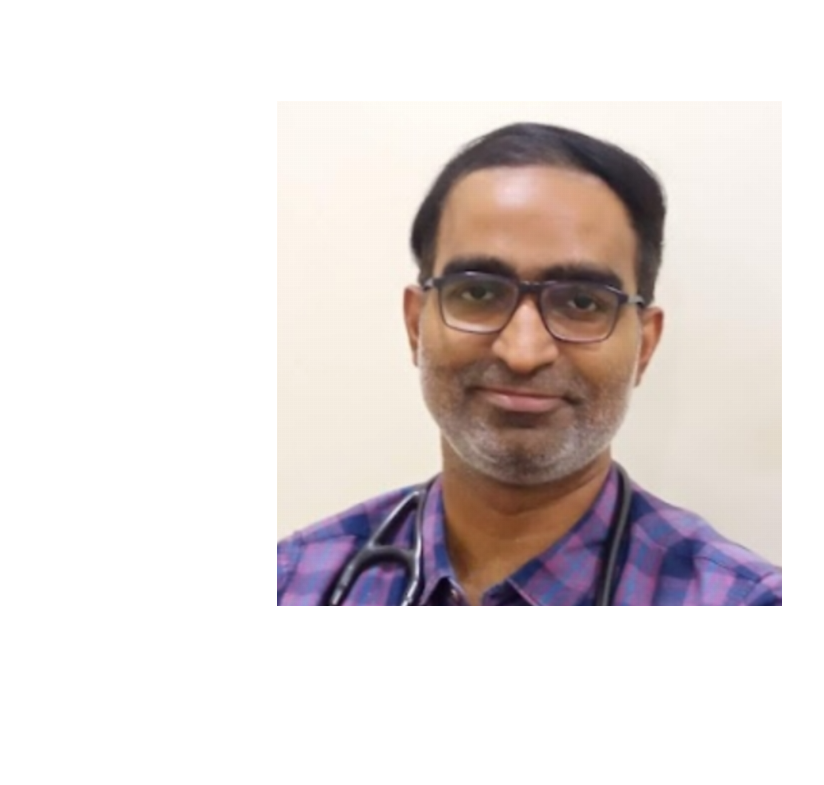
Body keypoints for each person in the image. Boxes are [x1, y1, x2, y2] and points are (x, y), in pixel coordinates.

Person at [277, 123, 782, 608]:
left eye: (582, 302)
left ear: (644, 347)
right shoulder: (294, 580)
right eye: (478, 292)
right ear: (415, 326)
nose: (523, 352)